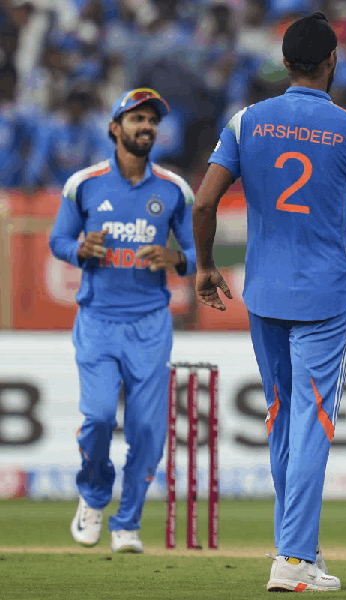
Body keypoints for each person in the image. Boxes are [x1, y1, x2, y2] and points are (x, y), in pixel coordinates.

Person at [191, 12, 346, 592]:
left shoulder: (245, 122)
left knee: (283, 418)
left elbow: (204, 204)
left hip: (262, 292)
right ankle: (291, 559)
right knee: (312, 422)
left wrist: (207, 266)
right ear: (332, 63)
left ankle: (298, 551)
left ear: (284, 63)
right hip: (325, 295)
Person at [49, 87, 196, 554]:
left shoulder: (174, 189)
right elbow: (58, 240)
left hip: (151, 321)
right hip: (97, 318)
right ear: (115, 128)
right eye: (136, 120)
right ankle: (93, 497)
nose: (145, 127)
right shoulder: (85, 183)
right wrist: (79, 250)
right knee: (96, 417)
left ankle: (127, 523)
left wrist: (175, 257)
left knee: (148, 432)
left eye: (152, 120)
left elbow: (200, 255)